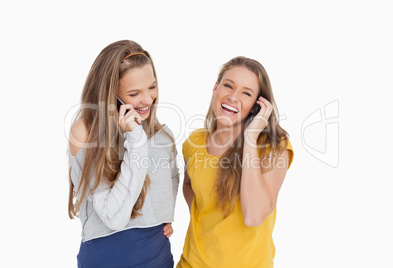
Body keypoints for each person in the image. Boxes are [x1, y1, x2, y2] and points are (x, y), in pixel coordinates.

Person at [67, 40, 179, 268]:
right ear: (111, 95)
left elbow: (172, 181)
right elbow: (113, 217)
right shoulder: (85, 131)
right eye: (134, 93)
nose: (148, 99)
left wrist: (164, 216)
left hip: (158, 258)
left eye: (152, 87)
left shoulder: (163, 136)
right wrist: (135, 140)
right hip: (106, 260)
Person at [177, 56, 294, 268]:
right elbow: (188, 185)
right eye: (228, 85)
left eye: (246, 93)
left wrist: (250, 139)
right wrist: (205, 216)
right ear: (215, 88)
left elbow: (254, 216)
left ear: (257, 106)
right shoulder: (194, 142)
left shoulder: (273, 148)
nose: (233, 96)